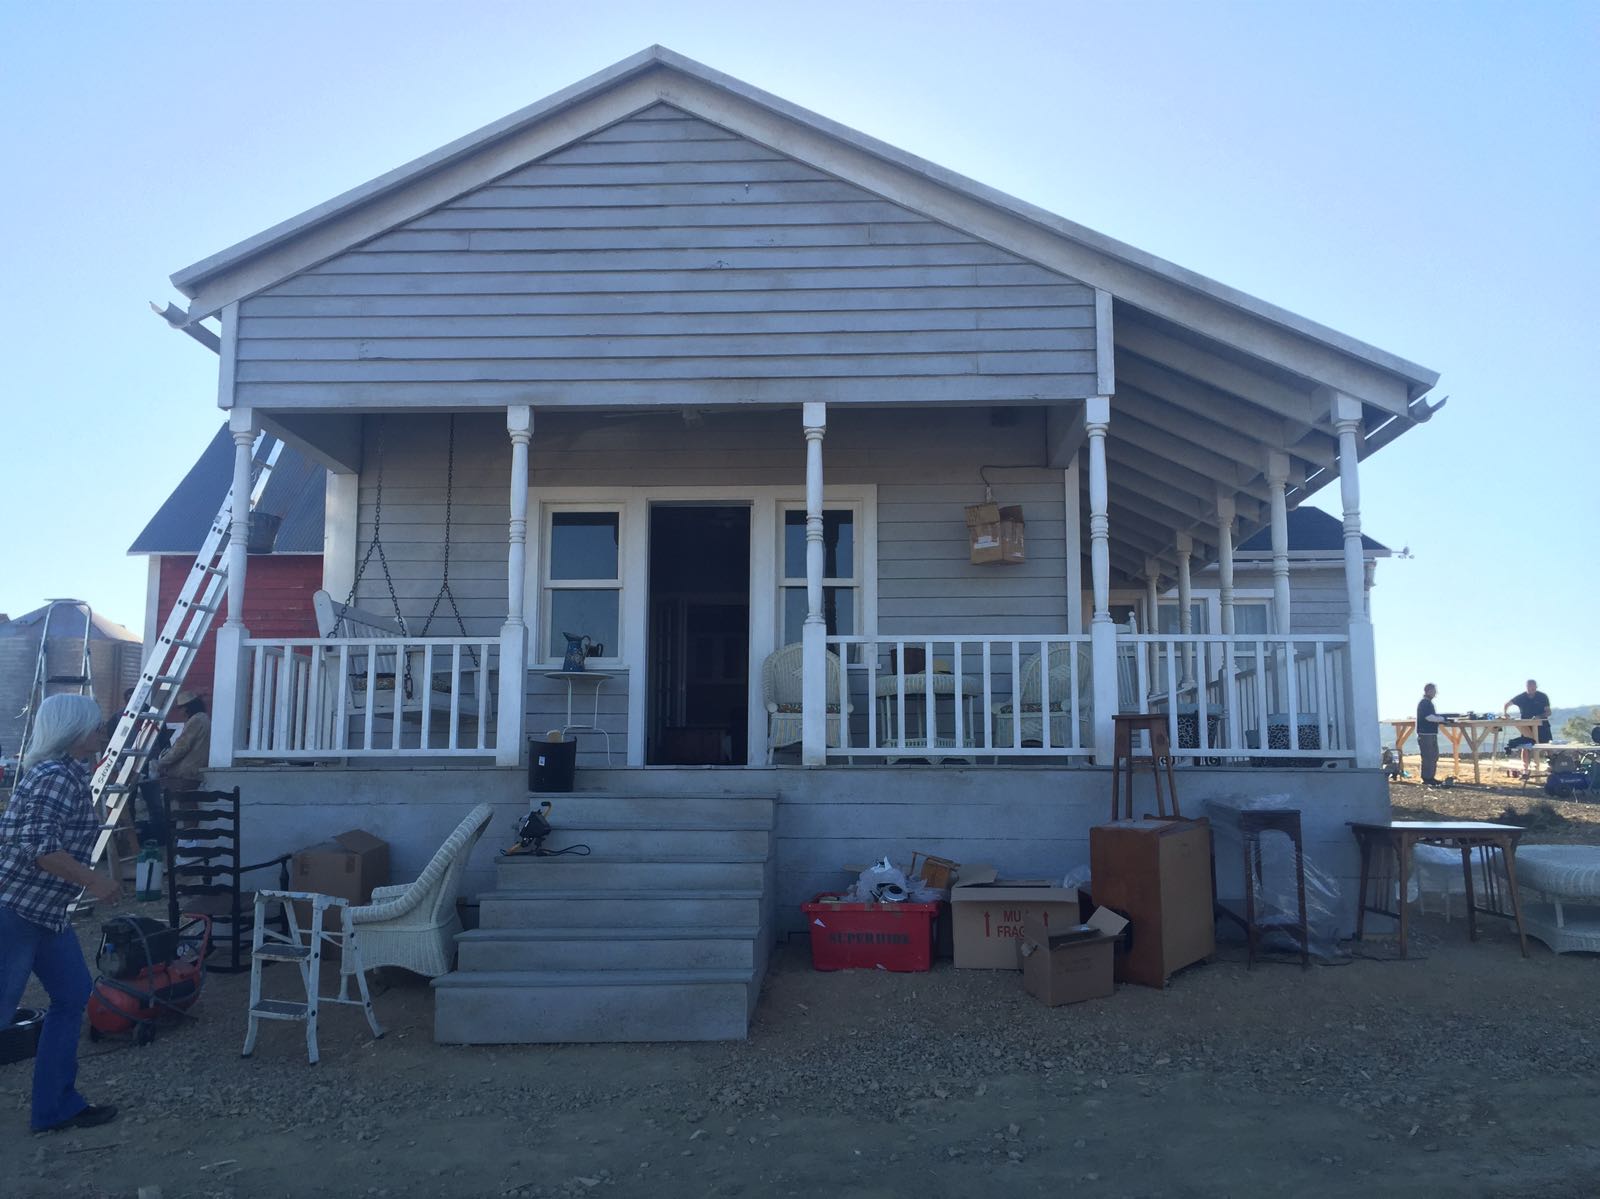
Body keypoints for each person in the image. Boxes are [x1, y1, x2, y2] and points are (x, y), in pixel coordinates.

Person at [0, 693, 121, 1133]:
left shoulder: (70, 774)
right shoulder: (54, 776)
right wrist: (95, 880)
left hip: (46, 913)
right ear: (73, 733)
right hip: (15, 910)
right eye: (95, 726)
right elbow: (40, 849)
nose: (101, 733)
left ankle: (55, 1108)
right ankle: (55, 1106)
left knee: (72, 996)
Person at [155, 691, 210, 798]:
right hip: (195, 770)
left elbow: (181, 747)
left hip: (186, 772)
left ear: (186, 708)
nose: (180, 712)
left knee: (183, 806)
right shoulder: (204, 718)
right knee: (190, 804)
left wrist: (160, 763)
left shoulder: (196, 721)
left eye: (180, 708)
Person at [1504, 679, 1553, 771]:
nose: (1531, 689)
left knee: (1548, 745)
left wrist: (1540, 716)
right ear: (1526, 687)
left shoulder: (1542, 696)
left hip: (1542, 724)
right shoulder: (1521, 697)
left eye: (1533, 687)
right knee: (1525, 746)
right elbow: (1507, 704)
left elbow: (1549, 712)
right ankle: (1525, 768)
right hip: (1527, 726)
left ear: (1536, 687)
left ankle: (1551, 765)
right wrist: (1505, 713)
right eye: (1529, 687)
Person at [1416, 683, 1451, 786]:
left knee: (1433, 756)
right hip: (1426, 734)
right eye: (1434, 691)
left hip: (1429, 733)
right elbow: (1429, 717)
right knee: (1428, 756)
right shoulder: (1424, 703)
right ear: (1429, 691)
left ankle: (1430, 777)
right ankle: (1427, 778)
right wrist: (1442, 719)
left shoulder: (1427, 703)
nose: (1435, 693)